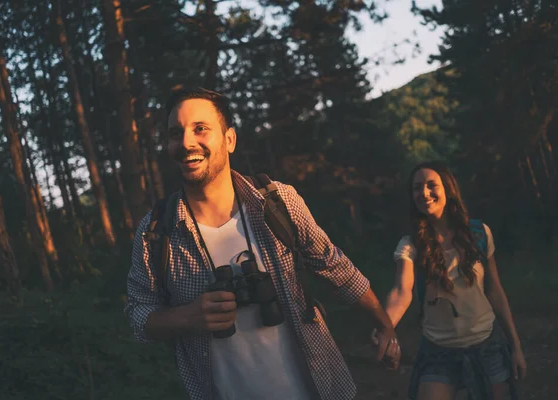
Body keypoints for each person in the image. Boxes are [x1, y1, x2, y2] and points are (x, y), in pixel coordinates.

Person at [125, 87, 400, 400]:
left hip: (319, 390)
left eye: (200, 129)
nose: (187, 142)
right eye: (176, 133)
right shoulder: (157, 232)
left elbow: (334, 266)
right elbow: (138, 315)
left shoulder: (277, 203)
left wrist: (384, 324)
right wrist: (189, 317)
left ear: (229, 140)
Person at [373, 161, 527, 400]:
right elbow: (402, 291)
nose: (423, 192)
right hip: (438, 352)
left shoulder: (479, 234)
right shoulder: (410, 244)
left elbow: (495, 291)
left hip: (486, 345)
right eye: (416, 188)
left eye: (431, 185)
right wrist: (384, 326)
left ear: (448, 189)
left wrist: (515, 346)